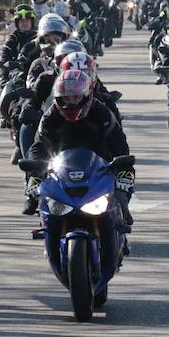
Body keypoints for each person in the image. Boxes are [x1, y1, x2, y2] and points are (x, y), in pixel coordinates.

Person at [26, 69, 134, 226]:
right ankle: (49, 229)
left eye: (76, 97)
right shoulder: (50, 117)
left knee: (120, 196)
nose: (71, 102)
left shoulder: (101, 112)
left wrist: (122, 167)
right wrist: (36, 170)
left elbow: (119, 143)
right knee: (42, 203)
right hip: (62, 173)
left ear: (86, 95)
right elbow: (39, 147)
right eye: (66, 98)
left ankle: (120, 221)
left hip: (100, 172)